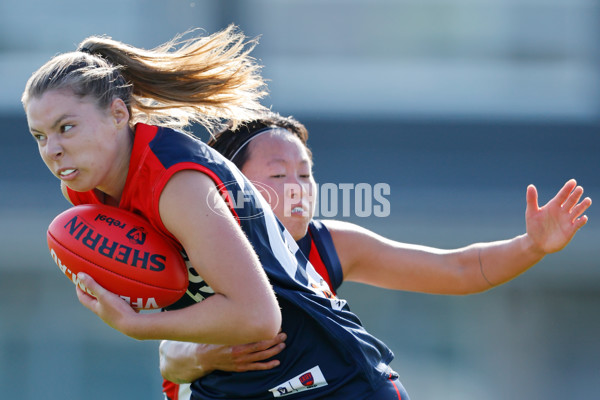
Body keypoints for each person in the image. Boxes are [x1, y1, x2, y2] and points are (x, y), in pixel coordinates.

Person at [22, 27, 416, 399]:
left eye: (67, 127)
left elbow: (259, 317)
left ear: (119, 114)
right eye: (40, 136)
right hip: (238, 384)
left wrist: (137, 325)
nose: (51, 149)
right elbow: (177, 294)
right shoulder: (83, 187)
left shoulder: (176, 184)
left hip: (331, 380)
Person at [158, 112, 592, 400]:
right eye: (277, 173)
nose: (299, 186)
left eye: (306, 174)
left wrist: (532, 245)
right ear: (232, 187)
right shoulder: (196, 248)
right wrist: (206, 356)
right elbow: (169, 357)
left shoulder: (328, 244)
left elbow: (456, 269)